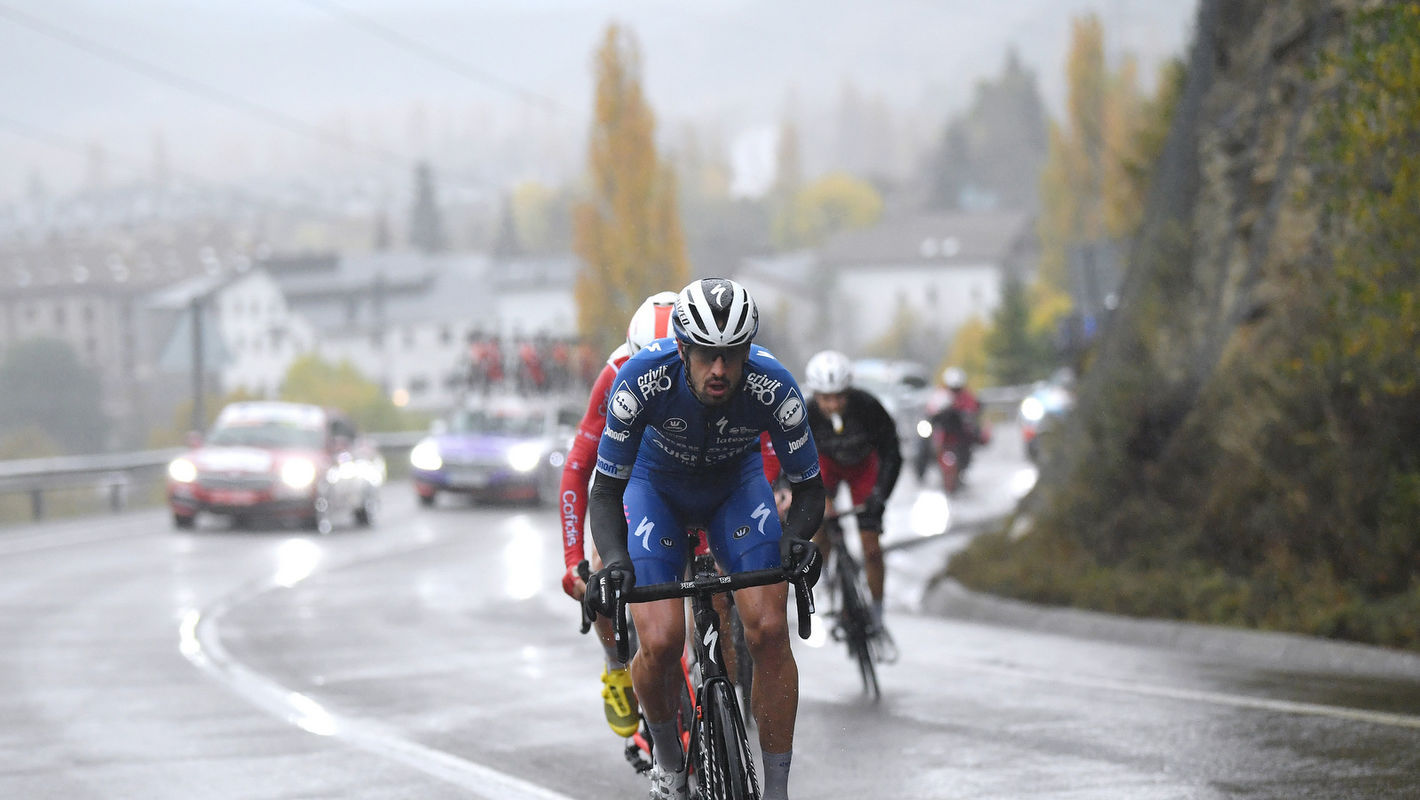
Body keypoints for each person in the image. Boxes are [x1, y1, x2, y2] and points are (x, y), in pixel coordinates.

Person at [584, 277, 825, 800]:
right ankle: (669, 764)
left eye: (731, 356)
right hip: (656, 492)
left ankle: (778, 789)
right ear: (682, 348)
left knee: (767, 631)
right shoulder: (640, 379)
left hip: (734, 489)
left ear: (746, 353)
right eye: (706, 356)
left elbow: (809, 488)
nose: (719, 370)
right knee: (663, 640)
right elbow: (604, 493)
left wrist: (800, 536)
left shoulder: (775, 387)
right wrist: (616, 559)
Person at [557, 290, 678, 739]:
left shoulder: (712, 367)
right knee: (604, 576)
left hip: (692, 480)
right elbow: (576, 471)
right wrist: (574, 562)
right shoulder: (613, 375)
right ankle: (616, 667)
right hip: (631, 486)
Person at [801, 349, 902, 629]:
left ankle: (878, 609)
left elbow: (892, 453)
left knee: (871, 546)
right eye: (825, 398)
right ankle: (826, 586)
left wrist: (879, 496)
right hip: (826, 467)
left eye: (839, 397)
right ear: (815, 395)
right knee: (820, 529)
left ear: (849, 391)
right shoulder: (805, 413)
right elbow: (793, 460)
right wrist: (817, 500)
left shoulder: (868, 407)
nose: (833, 405)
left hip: (863, 468)